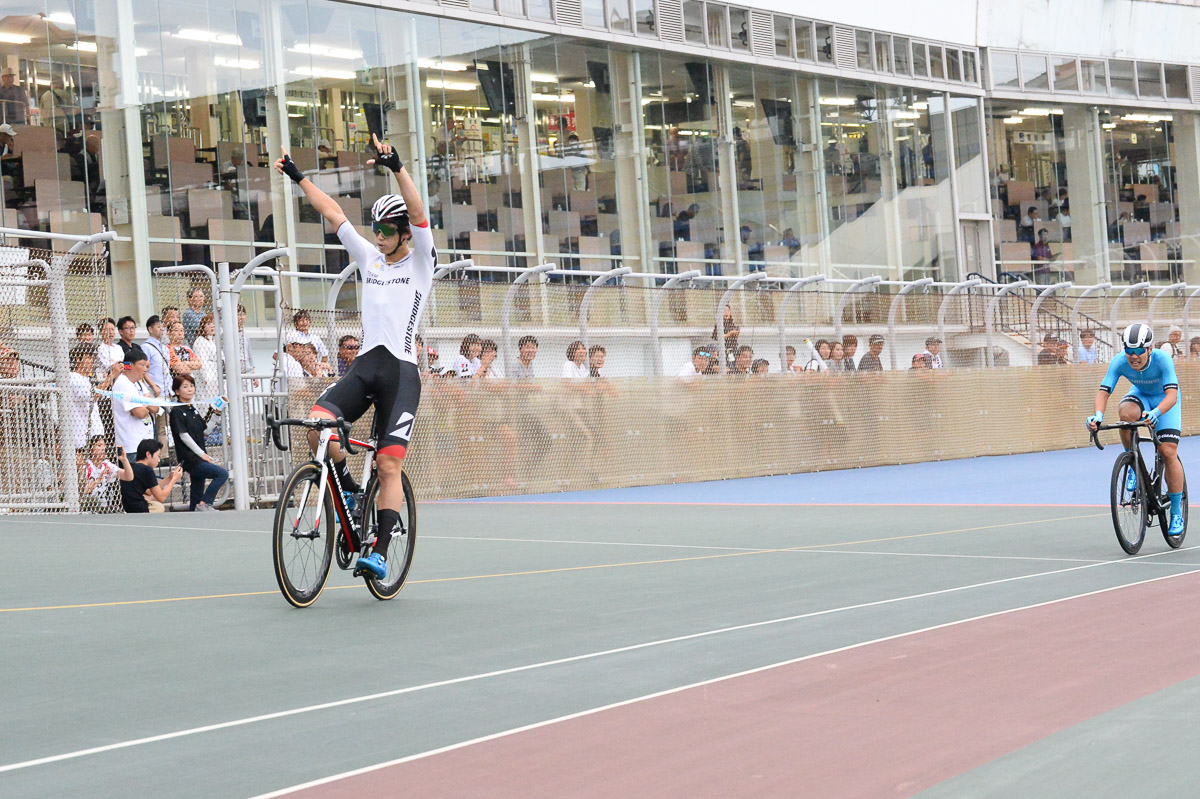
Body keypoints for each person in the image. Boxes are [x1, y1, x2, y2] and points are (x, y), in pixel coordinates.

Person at [274, 131, 433, 580]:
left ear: (404, 234)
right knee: (316, 428)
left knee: (387, 463)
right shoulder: (370, 259)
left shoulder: (421, 262)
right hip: (366, 366)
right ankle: (346, 491)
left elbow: (419, 212)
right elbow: (334, 213)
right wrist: (299, 178)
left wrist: (397, 168)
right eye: (376, 230)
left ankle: (380, 550)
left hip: (401, 374)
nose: (377, 237)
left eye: (386, 231)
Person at [1087, 323, 1185, 537]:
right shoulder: (1120, 361)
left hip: (1165, 401)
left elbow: (1172, 396)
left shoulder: (1163, 359)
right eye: (1129, 351)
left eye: (1139, 351)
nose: (1134, 356)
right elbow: (1104, 392)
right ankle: (1133, 464)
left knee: (1168, 451)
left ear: (1149, 349)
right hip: (1140, 394)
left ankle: (1176, 512)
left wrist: (1157, 413)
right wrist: (1098, 416)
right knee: (1126, 414)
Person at [168, 374, 228, 512]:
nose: (190, 389)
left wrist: (216, 414)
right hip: (190, 458)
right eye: (185, 386)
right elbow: (184, 436)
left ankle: (195, 509)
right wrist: (202, 454)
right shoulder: (177, 411)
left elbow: (205, 431)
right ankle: (205, 503)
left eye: (191, 386)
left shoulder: (192, 409)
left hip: (198, 456)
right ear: (177, 391)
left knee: (197, 487)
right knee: (221, 474)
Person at [111, 349, 162, 455]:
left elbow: (156, 408)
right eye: (142, 365)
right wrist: (147, 402)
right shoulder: (123, 383)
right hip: (131, 446)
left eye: (146, 366)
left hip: (144, 442)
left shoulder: (138, 383)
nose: (145, 369)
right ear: (130, 365)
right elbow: (140, 413)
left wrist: (144, 404)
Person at [120, 439, 183, 514]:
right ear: (148, 454)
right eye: (158, 456)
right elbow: (161, 497)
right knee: (159, 506)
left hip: (126, 506)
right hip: (139, 508)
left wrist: (169, 478)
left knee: (151, 499)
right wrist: (174, 480)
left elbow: (150, 491)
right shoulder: (147, 470)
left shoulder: (132, 467)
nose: (159, 460)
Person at [82, 436, 130, 512]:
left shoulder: (106, 465)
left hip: (103, 506)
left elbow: (128, 477)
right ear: (90, 449)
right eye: (99, 445)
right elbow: (84, 490)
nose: (103, 449)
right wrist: (98, 480)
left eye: (104, 446)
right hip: (89, 505)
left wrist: (124, 460)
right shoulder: (87, 466)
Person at [142, 315, 172, 401]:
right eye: (159, 327)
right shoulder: (146, 347)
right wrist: (153, 386)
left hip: (167, 390)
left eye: (163, 327)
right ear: (150, 329)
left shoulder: (165, 347)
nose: (162, 329)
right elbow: (143, 370)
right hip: (155, 391)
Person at [192, 313, 221, 402]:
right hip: (207, 380)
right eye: (208, 324)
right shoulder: (200, 341)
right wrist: (207, 378)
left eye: (214, 324)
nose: (212, 326)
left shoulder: (213, 341)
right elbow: (202, 361)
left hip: (216, 378)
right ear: (203, 327)